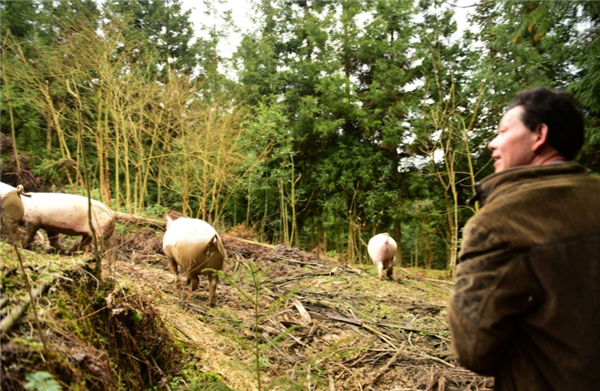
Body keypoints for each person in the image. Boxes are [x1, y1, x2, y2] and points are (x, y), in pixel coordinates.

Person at [448, 87, 600, 391]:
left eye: (503, 131)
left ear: (539, 135)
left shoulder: (497, 224)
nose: (492, 143)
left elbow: (473, 350)